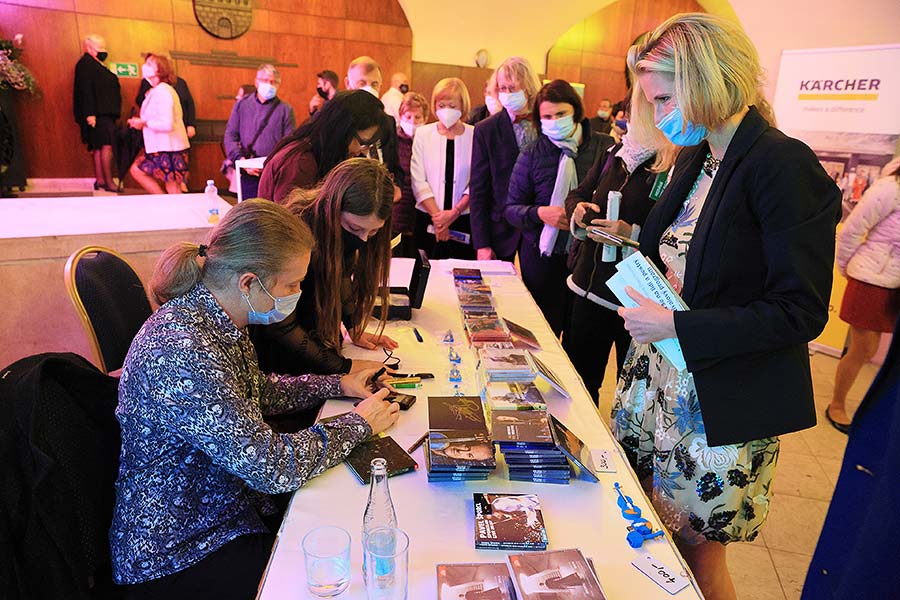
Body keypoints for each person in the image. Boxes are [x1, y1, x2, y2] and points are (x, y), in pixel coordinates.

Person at [610, 14, 840, 600]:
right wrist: (653, 265)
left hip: (719, 394)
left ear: (707, 80)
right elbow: (702, 253)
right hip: (662, 376)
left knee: (699, 552)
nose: (659, 115)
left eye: (665, 98)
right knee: (651, 533)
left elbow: (800, 311)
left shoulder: (781, 163)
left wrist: (680, 323)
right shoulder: (699, 155)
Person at [110, 199, 400, 598]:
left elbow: (258, 392)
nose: (298, 293)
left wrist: (338, 385)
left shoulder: (217, 316)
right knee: (336, 575)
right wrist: (360, 423)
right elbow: (270, 467)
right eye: (292, 284)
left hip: (224, 512)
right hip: (178, 550)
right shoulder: (183, 350)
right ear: (249, 282)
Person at [251, 158, 398, 378]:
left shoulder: (340, 231)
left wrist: (353, 326)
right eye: (354, 228)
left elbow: (340, 273)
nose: (363, 240)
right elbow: (280, 325)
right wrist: (344, 367)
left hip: (313, 347)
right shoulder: (297, 231)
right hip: (280, 360)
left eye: (373, 232)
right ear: (333, 206)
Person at [563, 130, 675, 403]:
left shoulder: (672, 161)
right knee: (578, 383)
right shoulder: (615, 154)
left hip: (636, 298)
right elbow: (576, 195)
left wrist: (632, 232)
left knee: (632, 394)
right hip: (589, 287)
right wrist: (578, 210)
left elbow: (675, 232)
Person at [505, 80, 615, 336]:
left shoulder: (604, 146)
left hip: (587, 257)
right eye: (547, 116)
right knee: (542, 334)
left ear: (575, 110)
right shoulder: (532, 153)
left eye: (561, 114)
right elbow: (511, 209)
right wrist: (541, 213)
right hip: (542, 259)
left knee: (581, 338)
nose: (555, 120)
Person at [826, 156, 900, 432]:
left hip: (894, 283)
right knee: (864, 350)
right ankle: (836, 404)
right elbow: (851, 231)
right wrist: (847, 268)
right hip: (871, 279)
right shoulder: (889, 188)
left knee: (872, 352)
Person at [469, 56, 541, 262]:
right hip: (499, 229)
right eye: (502, 88)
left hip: (537, 229)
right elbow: (479, 190)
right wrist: (482, 244)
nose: (507, 94)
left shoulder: (545, 124)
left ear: (528, 88)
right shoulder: (486, 129)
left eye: (512, 88)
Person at [258, 90, 386, 203]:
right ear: (342, 131)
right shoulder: (301, 164)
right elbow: (291, 225)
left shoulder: (316, 151)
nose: (361, 151)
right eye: (362, 142)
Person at [410, 78, 476, 259]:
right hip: (427, 217)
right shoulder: (423, 134)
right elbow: (418, 180)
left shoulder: (475, 134)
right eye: (442, 104)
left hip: (462, 218)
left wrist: (453, 214)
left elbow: (477, 181)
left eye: (452, 105)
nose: (447, 110)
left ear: (463, 106)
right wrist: (438, 219)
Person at [224, 64, 296, 200]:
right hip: (247, 169)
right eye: (265, 80)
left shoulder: (285, 110)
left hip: (273, 174)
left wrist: (274, 166)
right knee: (248, 213)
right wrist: (241, 161)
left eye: (273, 82)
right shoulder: (242, 105)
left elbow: (289, 144)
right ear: (256, 82)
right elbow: (230, 135)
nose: (269, 84)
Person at [127, 54, 190, 194]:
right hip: (164, 146)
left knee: (172, 186)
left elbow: (166, 123)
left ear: (160, 69)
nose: (145, 67)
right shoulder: (158, 90)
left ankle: (167, 204)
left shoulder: (163, 91)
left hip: (168, 147)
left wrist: (144, 123)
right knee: (172, 186)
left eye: (150, 64)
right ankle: (165, 203)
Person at [73, 34, 121, 192]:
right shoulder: (86, 64)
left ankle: (101, 181)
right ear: (89, 48)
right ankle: (108, 182)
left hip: (103, 113)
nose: (103, 50)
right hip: (98, 114)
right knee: (106, 146)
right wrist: (90, 114)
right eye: (100, 48)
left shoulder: (95, 64)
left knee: (99, 147)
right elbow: (85, 90)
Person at [394, 91, 429, 258]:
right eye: (408, 117)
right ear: (401, 116)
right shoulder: (392, 139)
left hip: (421, 208)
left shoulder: (429, 141)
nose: (412, 122)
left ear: (425, 119)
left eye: (418, 118)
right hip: (397, 208)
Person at [222, 84, 256, 194]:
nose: (237, 97)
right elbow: (230, 136)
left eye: (240, 94)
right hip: (240, 160)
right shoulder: (238, 112)